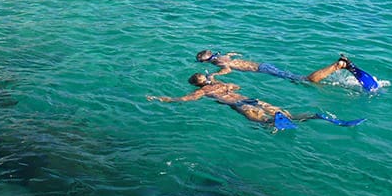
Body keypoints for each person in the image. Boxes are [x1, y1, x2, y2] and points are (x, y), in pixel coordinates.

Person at [147, 74, 365, 130]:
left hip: (241, 103)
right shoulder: (214, 87)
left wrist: (162, 98)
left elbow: (183, 99)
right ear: (201, 81)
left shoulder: (209, 90)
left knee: (262, 118)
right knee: (273, 114)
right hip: (246, 100)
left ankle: (274, 124)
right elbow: (237, 86)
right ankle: (312, 116)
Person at [195, 50, 357, 85]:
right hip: (264, 65)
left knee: (304, 80)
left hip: (262, 70)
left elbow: (227, 69)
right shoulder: (222, 56)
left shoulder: (218, 62)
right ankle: (338, 66)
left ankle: (338, 65)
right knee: (293, 76)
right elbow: (232, 55)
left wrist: (215, 76)